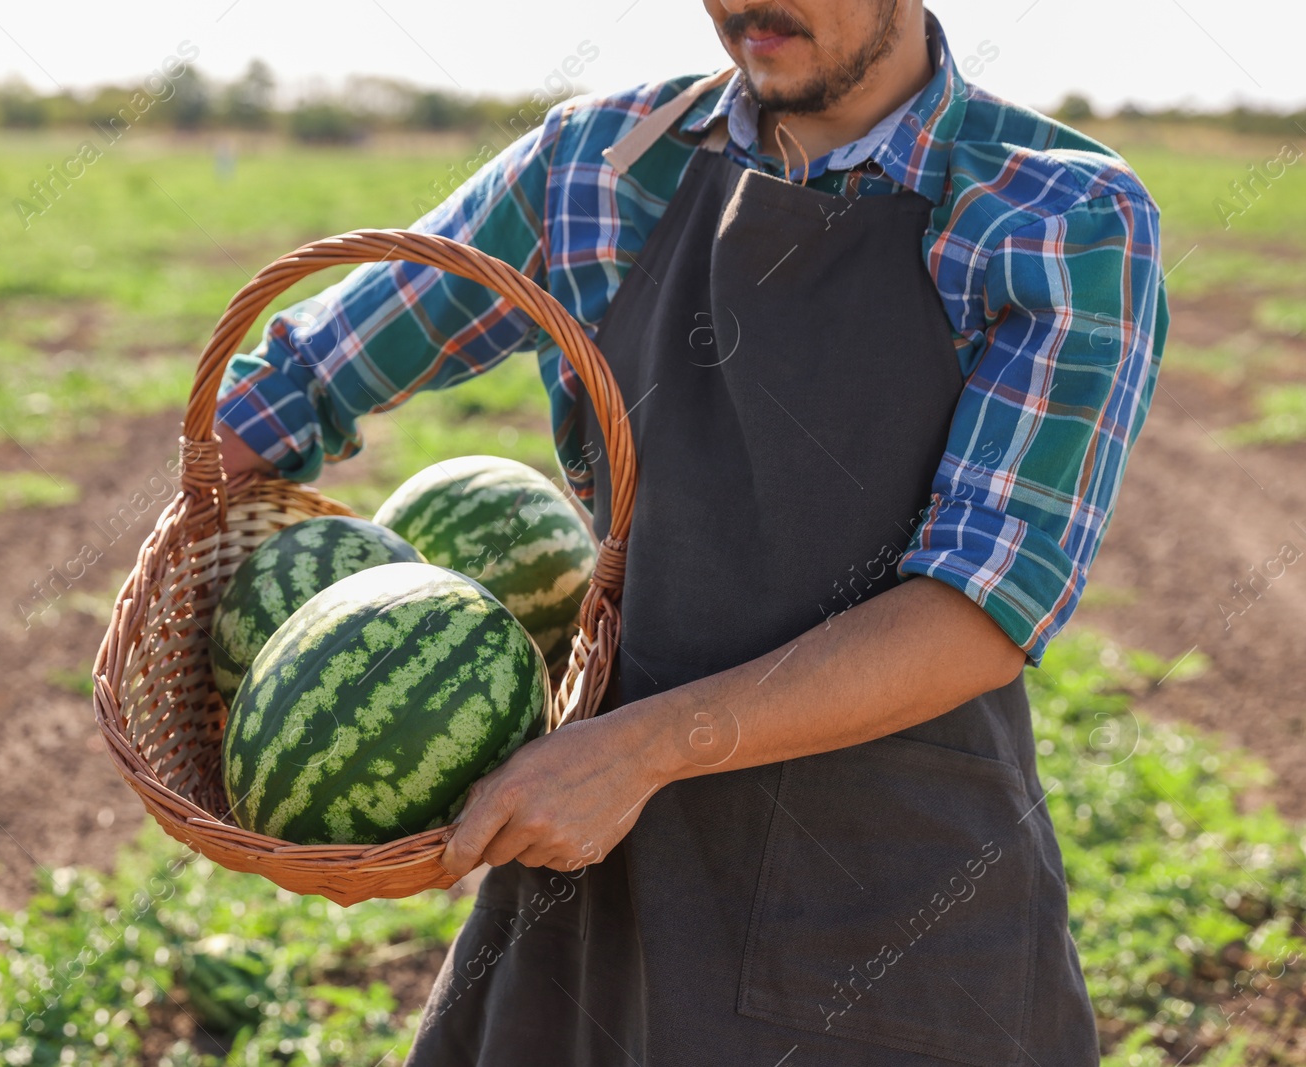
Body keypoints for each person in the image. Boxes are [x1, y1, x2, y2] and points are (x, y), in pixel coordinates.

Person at [214, 2, 1166, 1063]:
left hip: (887, 894)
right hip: (594, 868)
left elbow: (982, 605)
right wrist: (201, 510)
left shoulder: (1058, 215)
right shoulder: (598, 165)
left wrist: (638, 752)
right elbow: (302, 379)